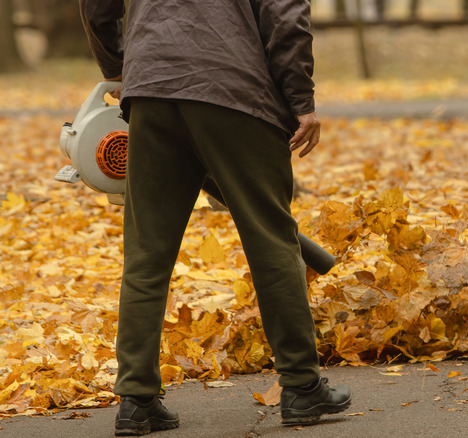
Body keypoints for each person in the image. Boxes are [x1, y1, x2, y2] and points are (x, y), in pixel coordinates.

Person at [78, 0, 351, 435]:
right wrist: (301, 100)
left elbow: (97, 6)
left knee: (147, 253)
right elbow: (285, 15)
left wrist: (123, 69)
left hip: (151, 91)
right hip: (235, 91)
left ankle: (137, 400)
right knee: (271, 238)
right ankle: (301, 387)